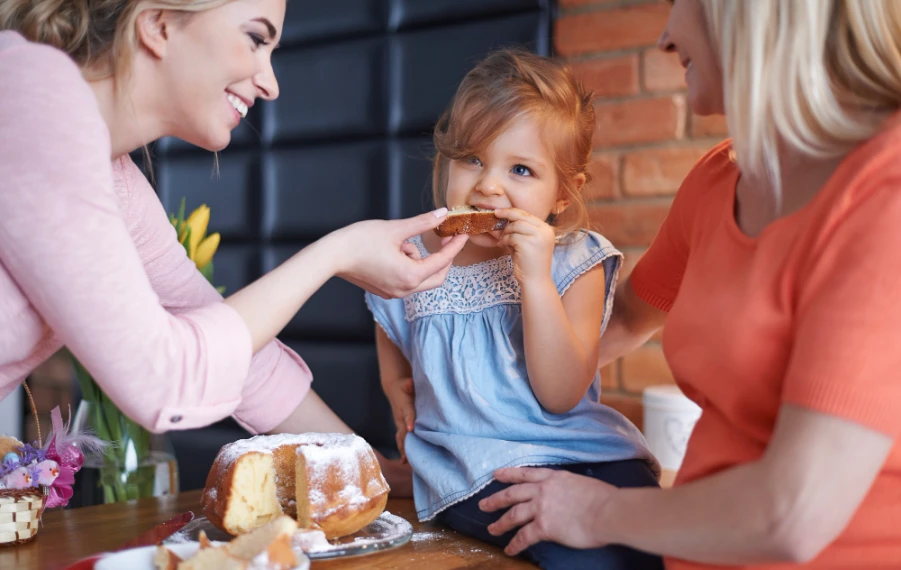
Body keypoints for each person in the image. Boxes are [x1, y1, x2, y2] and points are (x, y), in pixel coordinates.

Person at [476, 0, 901, 568]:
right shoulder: (718, 178)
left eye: (685, 4)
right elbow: (623, 320)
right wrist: (471, 391)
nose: (666, 39)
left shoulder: (886, 199)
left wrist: (592, 511)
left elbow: (791, 515)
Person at [0, 0, 467, 493]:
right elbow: (164, 378)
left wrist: (373, 470)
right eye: (255, 39)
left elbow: (248, 365)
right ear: (158, 25)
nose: (271, 82)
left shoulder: (117, 183)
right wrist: (338, 252)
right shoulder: (33, 93)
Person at [366, 49, 662, 570]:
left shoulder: (576, 259)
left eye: (520, 169)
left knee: (651, 539)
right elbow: (388, 318)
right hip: (478, 467)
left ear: (564, 193)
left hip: (587, 450)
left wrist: (535, 280)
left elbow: (561, 392)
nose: (488, 186)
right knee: (583, 559)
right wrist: (396, 385)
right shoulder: (415, 257)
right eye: (472, 159)